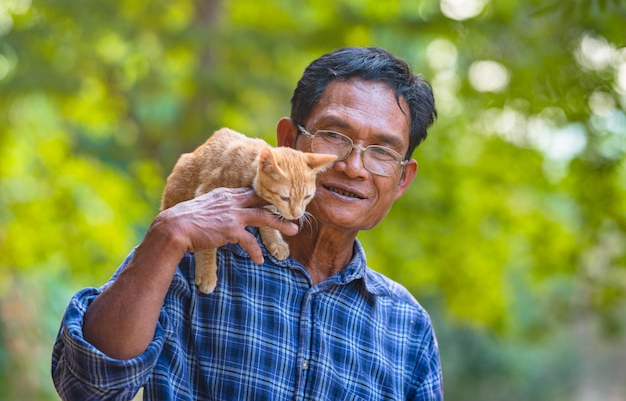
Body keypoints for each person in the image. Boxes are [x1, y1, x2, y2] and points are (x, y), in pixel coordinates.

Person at [51, 46, 443, 400]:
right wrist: (167, 234)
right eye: (334, 135)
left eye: (381, 151)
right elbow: (85, 387)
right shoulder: (186, 256)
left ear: (402, 178)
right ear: (286, 141)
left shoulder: (407, 328)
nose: (353, 166)